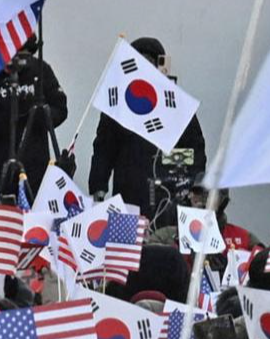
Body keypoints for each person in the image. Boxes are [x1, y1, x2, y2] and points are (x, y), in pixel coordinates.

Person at [88, 35, 207, 218]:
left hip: (168, 199)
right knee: (127, 246)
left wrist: (163, 161)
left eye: (150, 63)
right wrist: (98, 189)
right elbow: (103, 150)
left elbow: (194, 153)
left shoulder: (176, 106)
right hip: (128, 197)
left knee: (166, 242)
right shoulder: (118, 106)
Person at [0, 42, 68, 196]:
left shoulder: (40, 70)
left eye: (23, 55)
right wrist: (7, 114)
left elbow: (60, 109)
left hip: (33, 170)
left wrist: (34, 114)